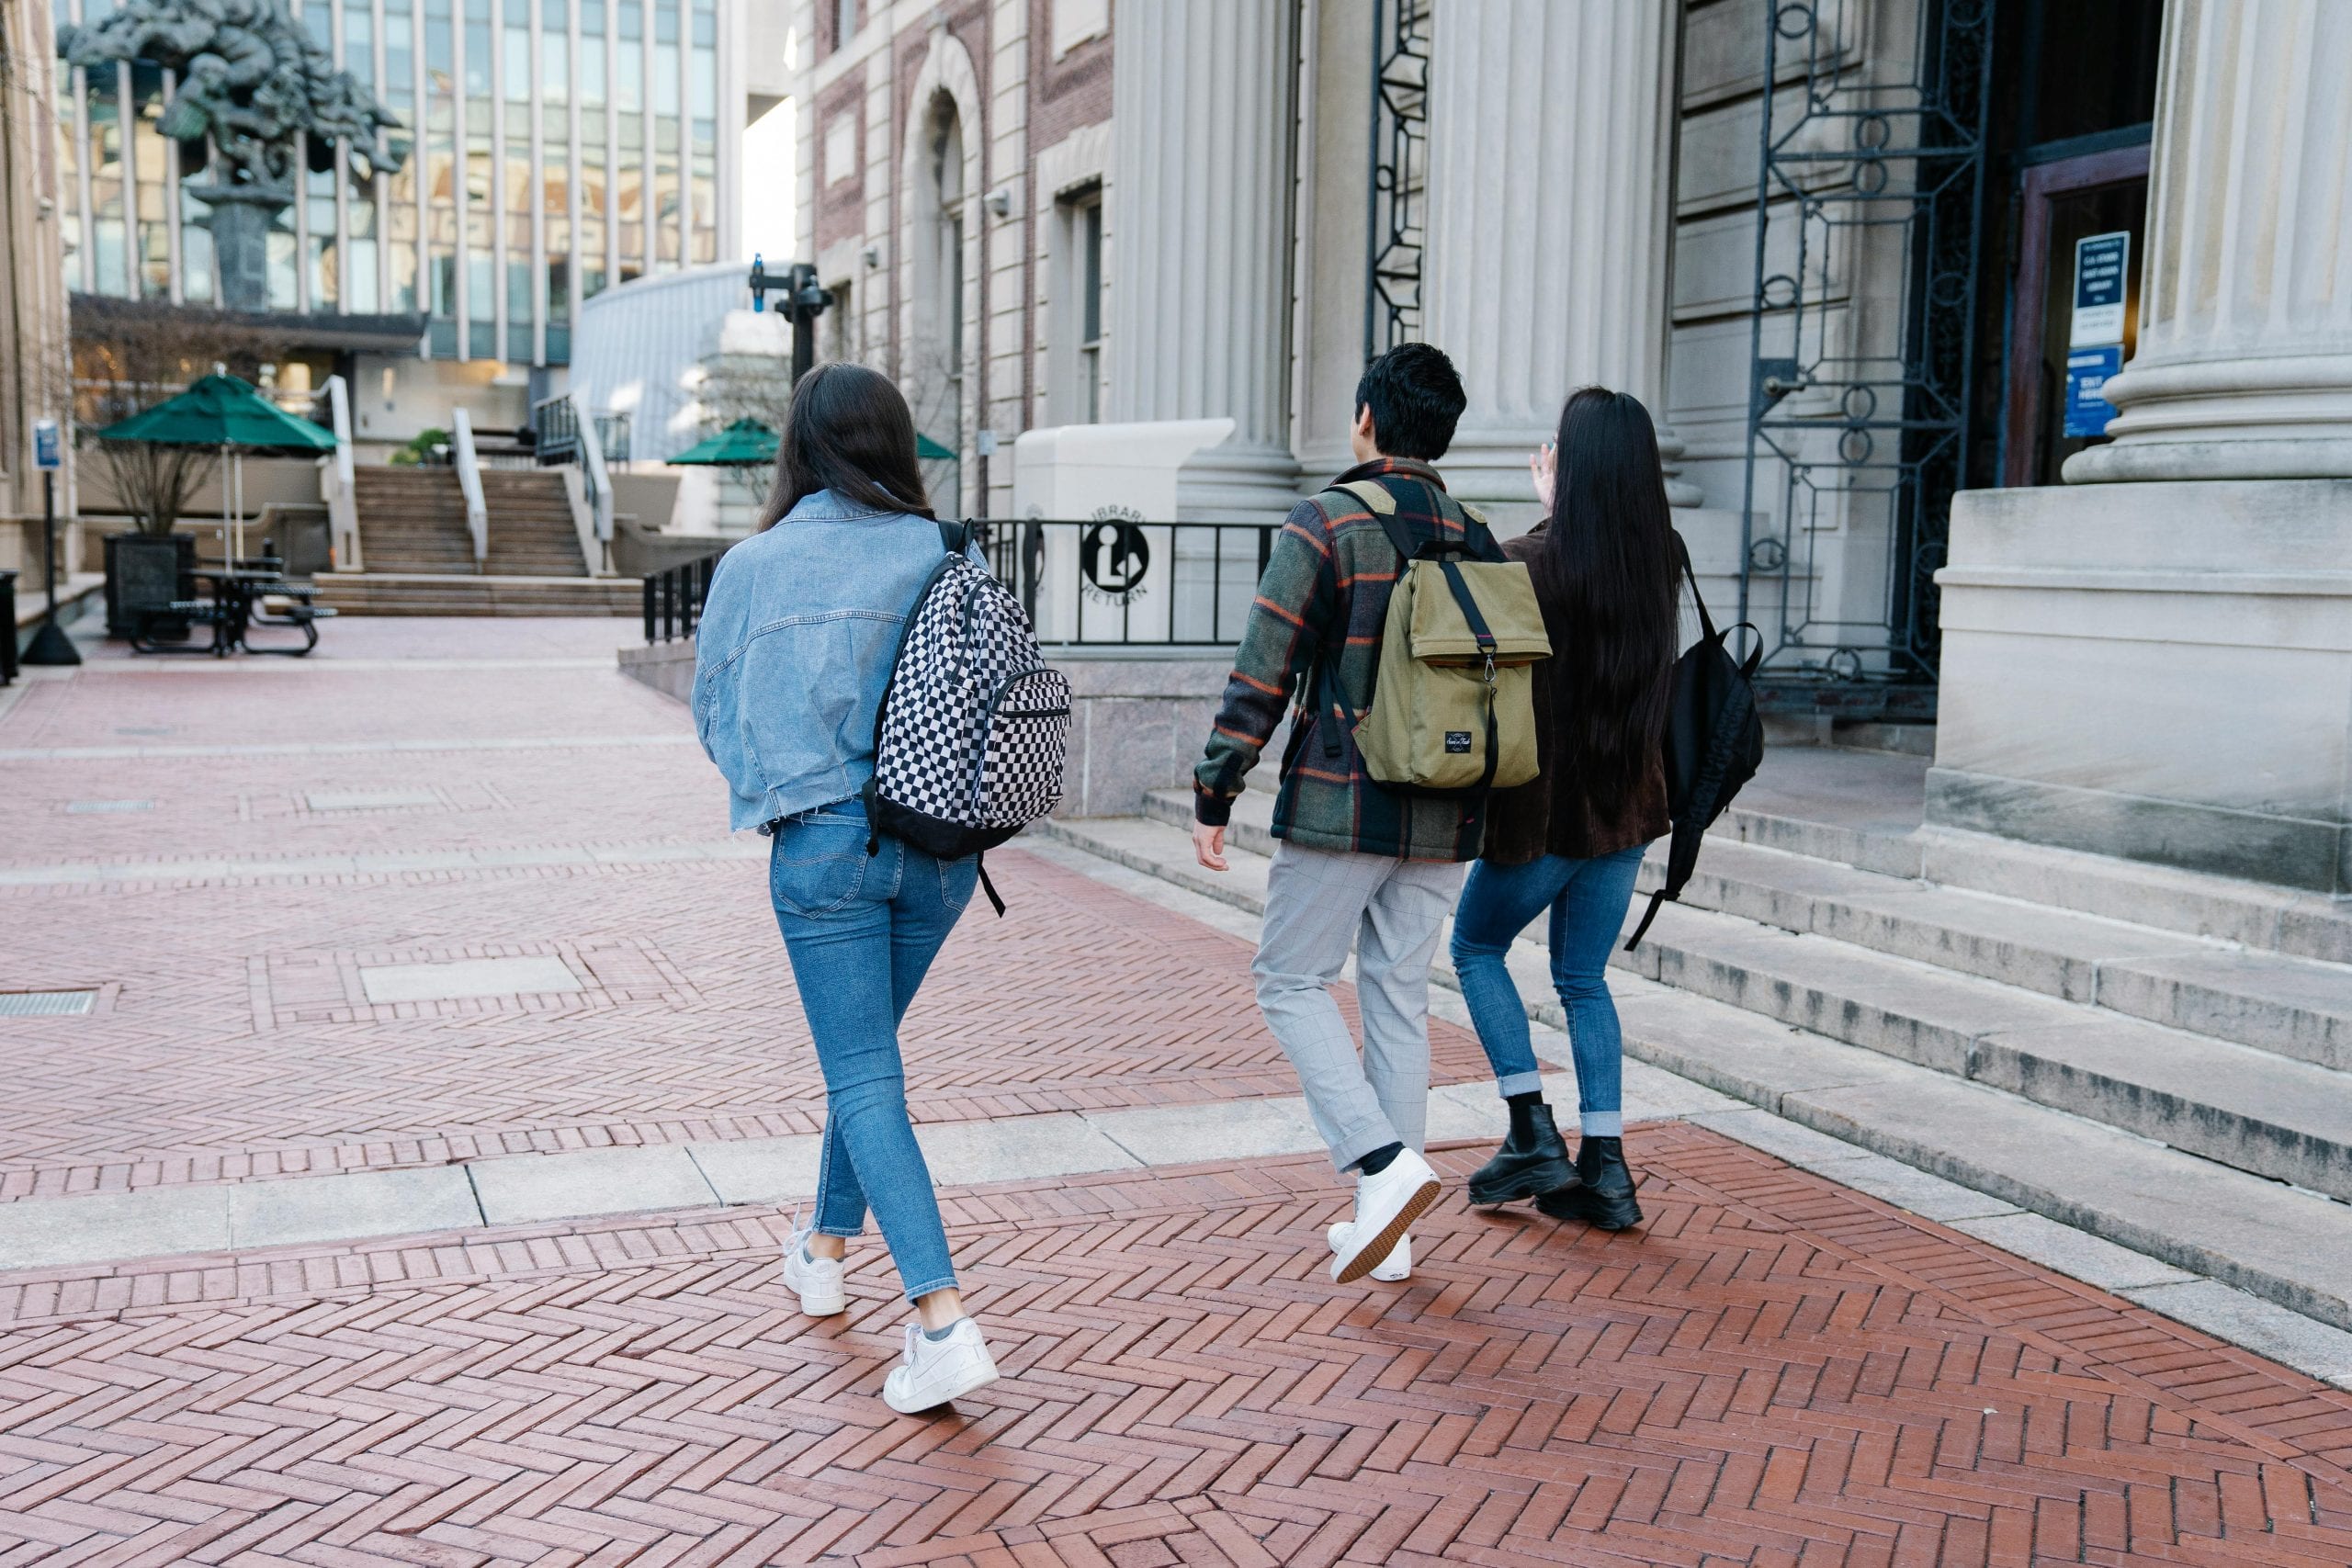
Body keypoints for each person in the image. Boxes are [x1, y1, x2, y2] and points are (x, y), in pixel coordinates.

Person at [691, 362, 999, 1413]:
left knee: (864, 1076)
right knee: (864, 1064)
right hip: (943, 850)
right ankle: (822, 1245)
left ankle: (942, 1320)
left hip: (823, 848)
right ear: (894, 445)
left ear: (802, 447)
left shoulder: (755, 564)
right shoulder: (941, 547)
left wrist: (783, 779)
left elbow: (715, 719)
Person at [1191, 342, 1503, 1285]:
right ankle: (1389, 1231)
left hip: (1341, 799)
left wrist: (1217, 786)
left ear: (1365, 416)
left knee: (1288, 980)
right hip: (1449, 806)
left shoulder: (1326, 523)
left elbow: (1264, 668)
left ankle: (1379, 1165)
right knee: (1397, 998)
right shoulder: (1477, 535)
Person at [1449, 387, 1680, 1232]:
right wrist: (1564, 514)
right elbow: (1601, 561)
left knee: (1475, 946)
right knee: (1584, 980)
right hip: (1626, 811)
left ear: (1572, 468)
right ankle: (1607, 1170)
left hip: (1544, 818)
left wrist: (1550, 518)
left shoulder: (1527, 563)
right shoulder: (1665, 555)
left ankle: (1529, 1128)